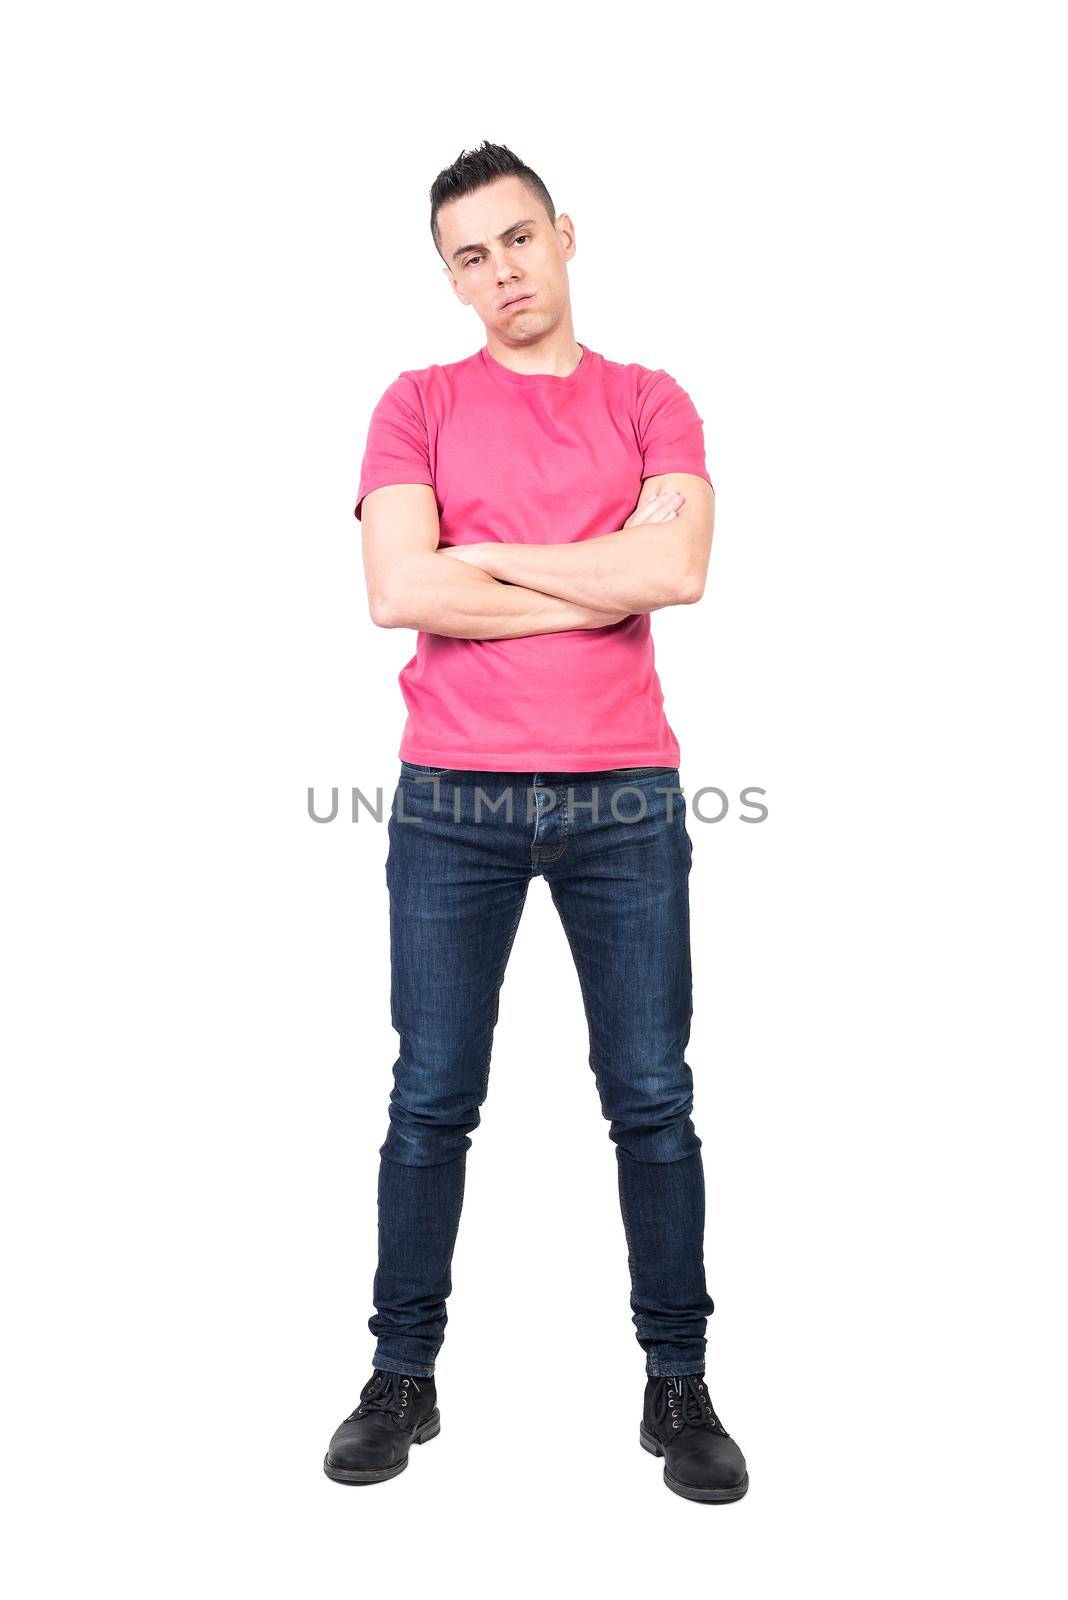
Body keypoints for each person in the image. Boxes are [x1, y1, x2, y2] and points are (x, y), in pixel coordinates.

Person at [323, 142, 748, 1504]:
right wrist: (594, 578)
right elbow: (398, 592)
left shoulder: (650, 397)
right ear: (447, 277)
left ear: (565, 235)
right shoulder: (417, 403)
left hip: (624, 797)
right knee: (430, 1100)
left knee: (653, 1099)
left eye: (517, 240)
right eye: (470, 255)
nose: (501, 271)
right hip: (453, 801)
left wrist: (485, 555)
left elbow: (675, 564)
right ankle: (403, 1374)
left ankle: (676, 1385)